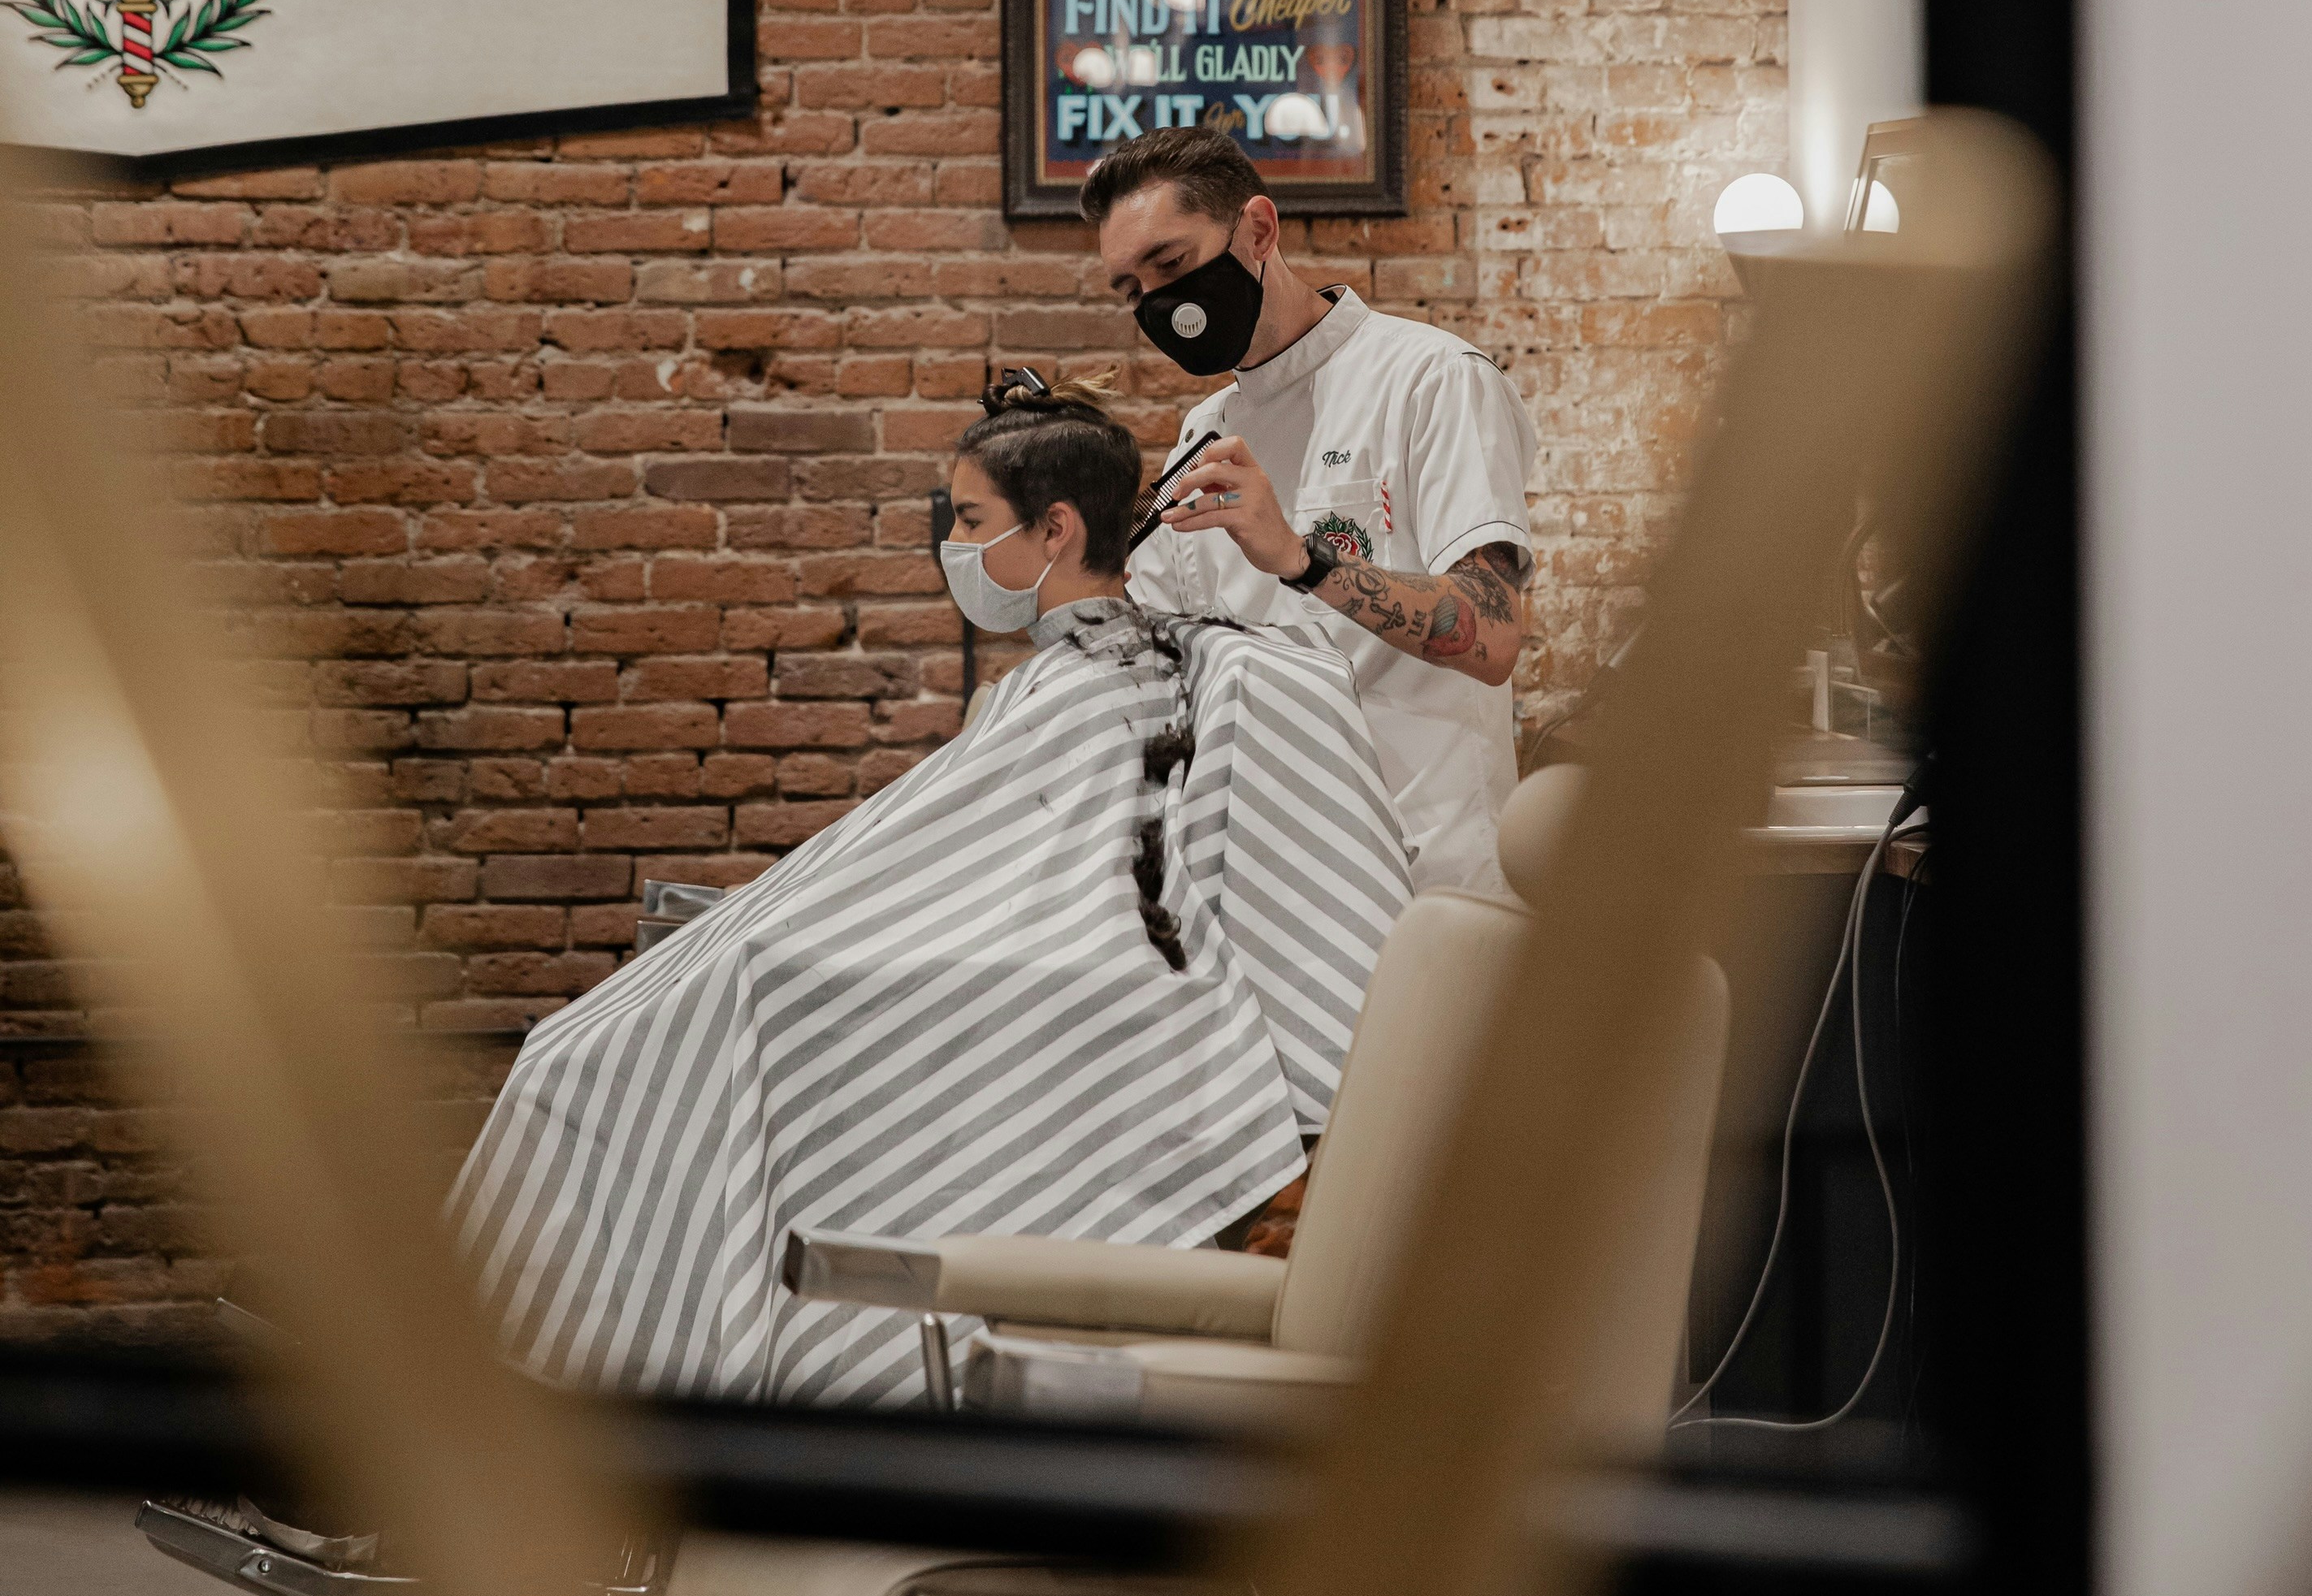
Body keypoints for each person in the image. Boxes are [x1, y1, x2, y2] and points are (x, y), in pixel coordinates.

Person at [449, 379, 1410, 1409]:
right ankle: (529, 1400)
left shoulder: (1169, 675)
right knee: (588, 1049)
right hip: (914, 961)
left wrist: (788, 951)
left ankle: (531, 1408)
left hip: (1057, 987)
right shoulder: (1048, 686)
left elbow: (1080, 896)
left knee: (616, 1053)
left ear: (1056, 528)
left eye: (970, 523)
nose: (955, 550)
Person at [1089, 125, 1537, 896]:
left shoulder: (1430, 381)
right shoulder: (1203, 438)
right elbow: (1168, 664)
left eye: (1172, 265)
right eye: (1134, 292)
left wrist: (1301, 559)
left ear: (1258, 229)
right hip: (1274, 879)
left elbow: (1492, 635)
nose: (1164, 306)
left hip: (1427, 872)